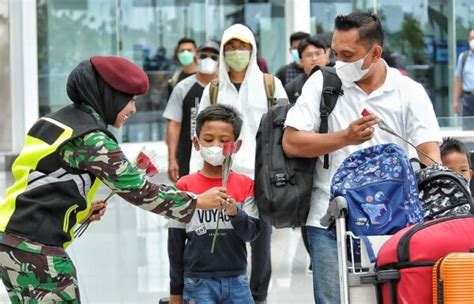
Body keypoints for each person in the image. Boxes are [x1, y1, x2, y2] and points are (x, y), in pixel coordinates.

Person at [0, 56, 227, 303]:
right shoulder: (93, 139)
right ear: (111, 95)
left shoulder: (53, 121)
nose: (133, 109)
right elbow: (141, 191)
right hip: (36, 247)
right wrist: (196, 202)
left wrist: (82, 210)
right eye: (130, 100)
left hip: (9, 238)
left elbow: (41, 179)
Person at [282, 12, 441, 304]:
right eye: (336, 52)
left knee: (391, 297)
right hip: (328, 219)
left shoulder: (408, 92)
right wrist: (345, 137)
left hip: (393, 223)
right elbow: (291, 142)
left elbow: (429, 154)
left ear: (375, 52)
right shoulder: (322, 84)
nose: (339, 62)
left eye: (348, 54)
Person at [191, 23, 288, 304]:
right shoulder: (213, 88)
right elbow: (201, 132)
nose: (236, 53)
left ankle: (258, 296)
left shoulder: (271, 84)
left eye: (242, 47)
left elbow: (286, 127)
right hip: (222, 173)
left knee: (260, 240)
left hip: (261, 174)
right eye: (230, 47)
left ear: (252, 49)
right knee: (222, 235)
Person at [168, 104, 260, 304]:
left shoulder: (246, 185)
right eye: (208, 140)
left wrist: (236, 213)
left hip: (237, 281)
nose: (215, 146)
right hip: (197, 283)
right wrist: (175, 293)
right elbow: (175, 244)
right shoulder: (184, 186)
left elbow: (252, 233)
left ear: (236, 145)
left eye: (224, 141)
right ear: (196, 142)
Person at [164, 40, 220, 183]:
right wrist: (171, 159)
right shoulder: (182, 87)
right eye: (204, 56)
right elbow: (174, 124)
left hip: (221, 158)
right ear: (196, 58)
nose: (208, 60)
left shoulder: (226, 88)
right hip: (188, 157)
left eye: (214, 57)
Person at [285, 36, 331, 104]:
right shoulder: (292, 88)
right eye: (309, 55)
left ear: (326, 56)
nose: (314, 58)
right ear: (301, 60)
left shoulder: (338, 80)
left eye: (318, 54)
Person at [452, 29, 474, 130]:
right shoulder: (463, 57)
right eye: (472, 38)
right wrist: (455, 101)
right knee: (468, 131)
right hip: (468, 100)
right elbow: (458, 80)